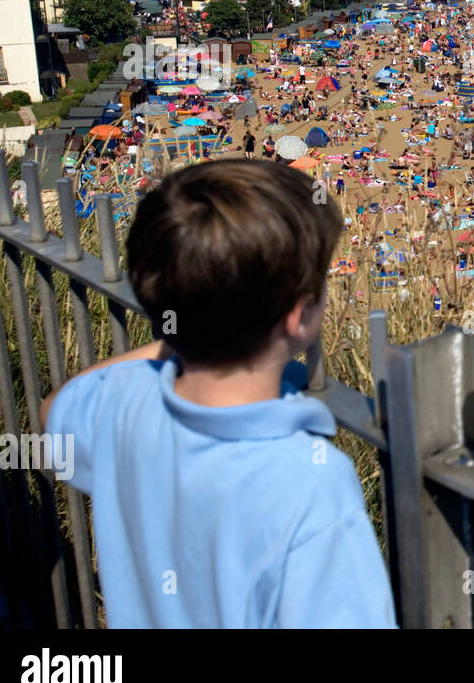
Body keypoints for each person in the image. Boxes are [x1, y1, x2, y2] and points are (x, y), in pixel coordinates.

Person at [41, 161, 397, 628]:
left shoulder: (124, 403)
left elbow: (54, 411)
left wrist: (183, 331)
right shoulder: (310, 487)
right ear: (298, 317)